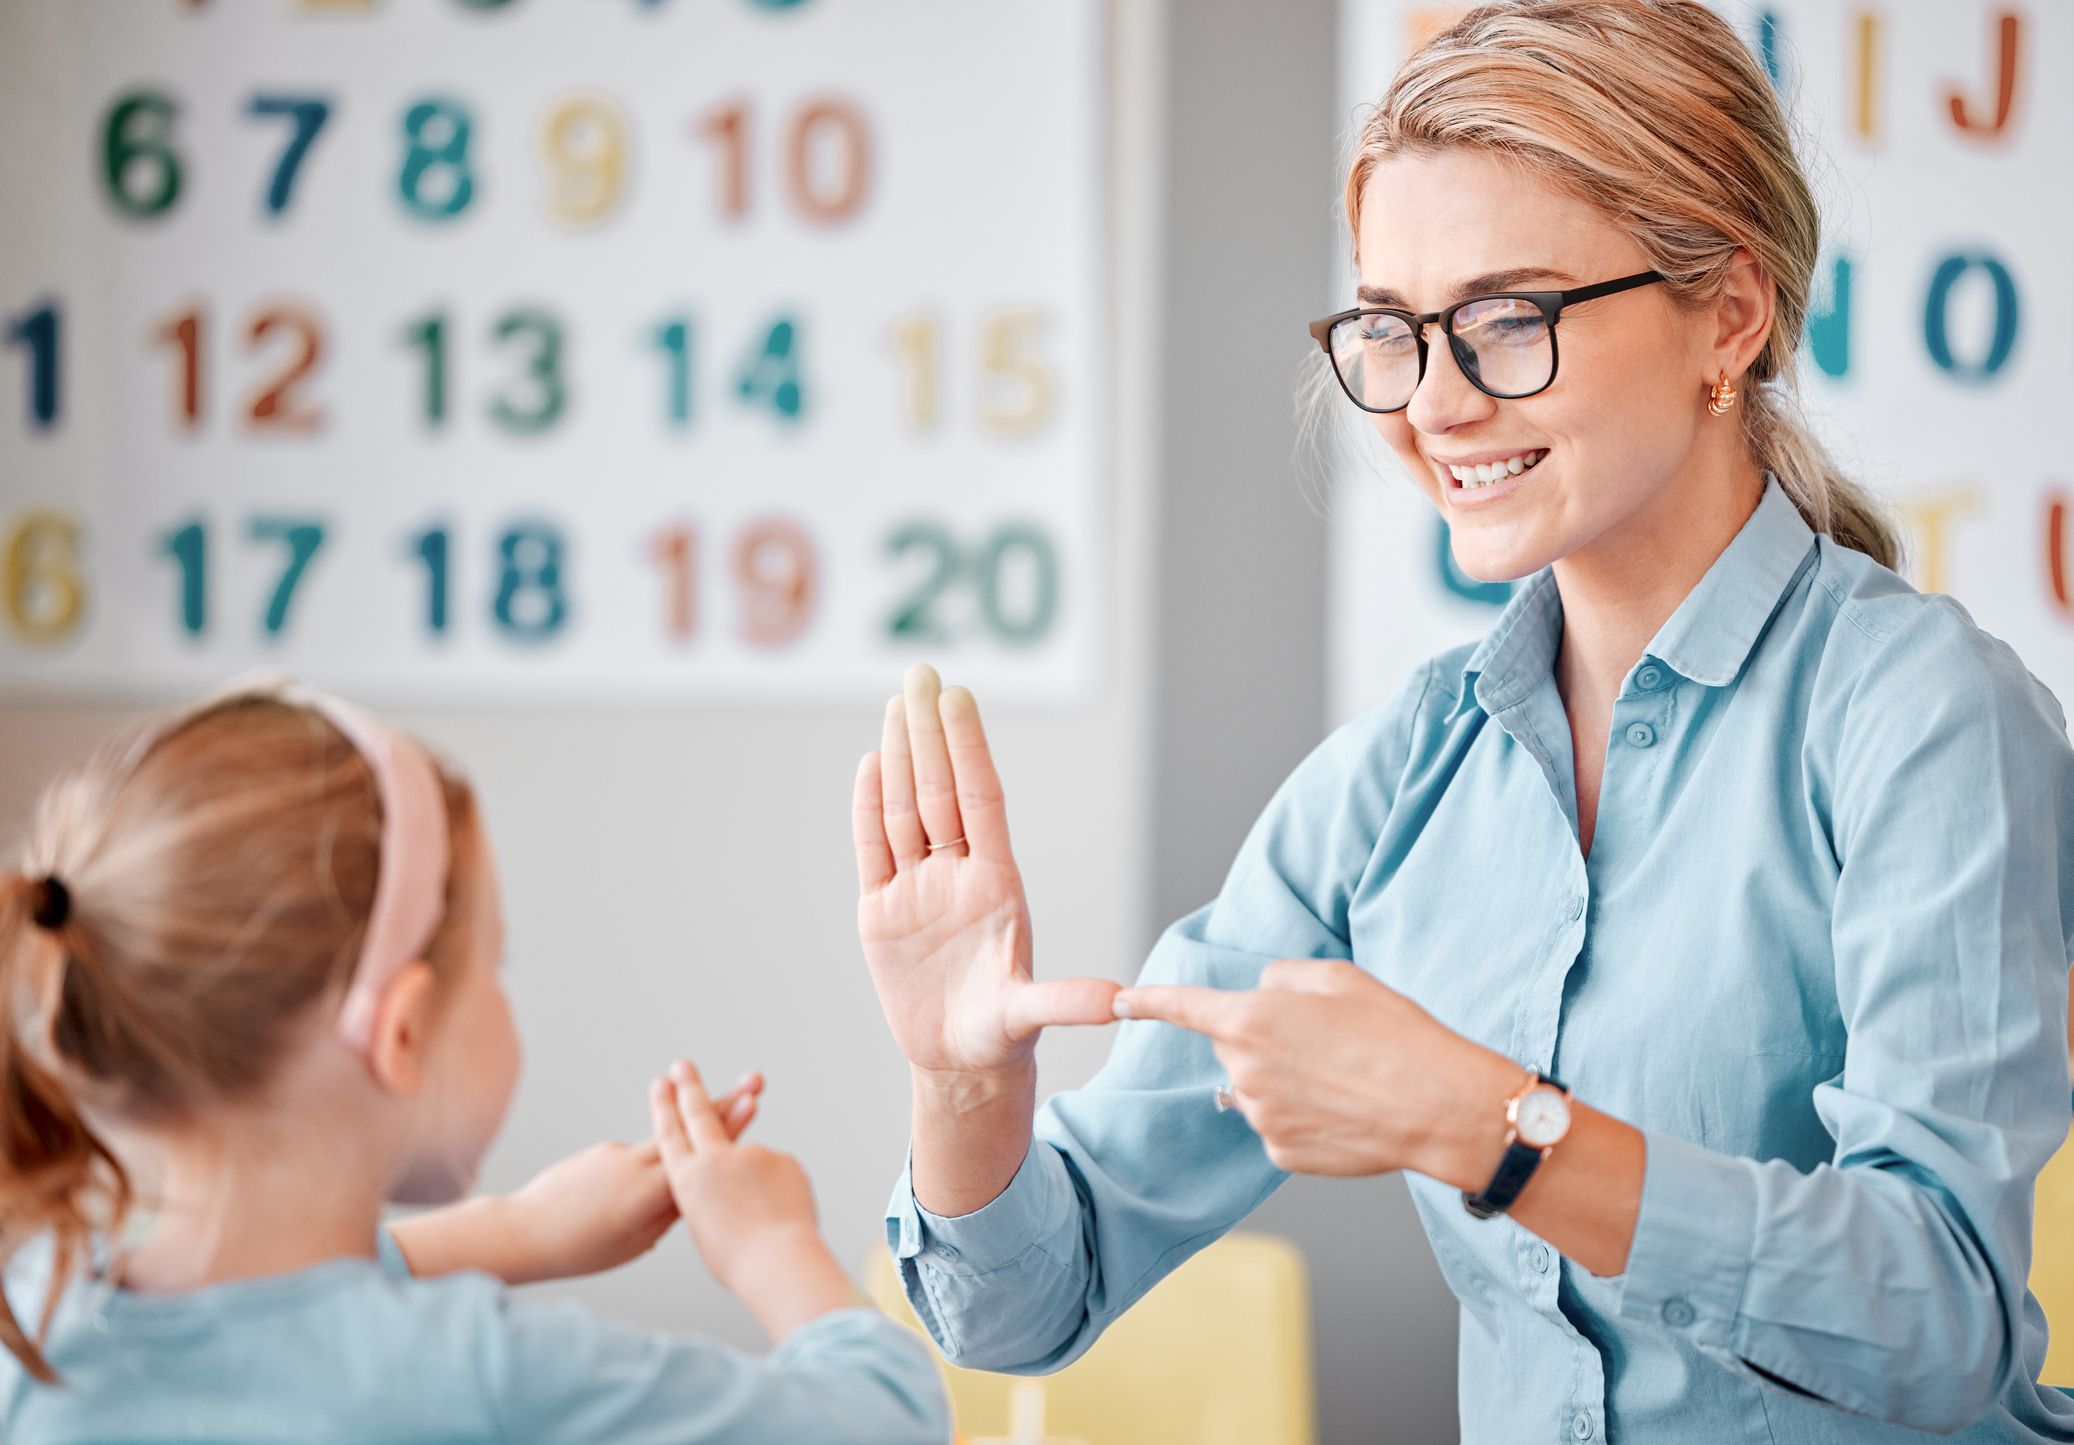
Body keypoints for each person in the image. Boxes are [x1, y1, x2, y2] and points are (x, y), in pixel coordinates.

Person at [854, 1, 2074, 1437]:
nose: (1431, 401)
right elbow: (1023, 1310)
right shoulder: (1394, 786)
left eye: (1507, 320)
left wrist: (1494, 1130)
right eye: (1392, 329)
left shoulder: (1920, 716)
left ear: (1727, 317)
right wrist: (959, 1083)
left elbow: (1948, 1316)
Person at [0, 682, 948, 1443]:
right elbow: (887, 1421)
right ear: (402, 1032)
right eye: (494, 962)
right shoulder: (485, 1380)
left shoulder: (37, 1313)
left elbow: (263, 1317)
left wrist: (515, 1232)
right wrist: (770, 1246)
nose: (502, 987)